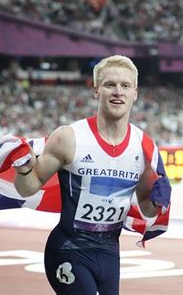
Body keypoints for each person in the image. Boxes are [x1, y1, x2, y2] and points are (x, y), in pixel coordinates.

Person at [13, 55, 171, 295]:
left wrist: (158, 202)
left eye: (125, 86)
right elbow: (27, 188)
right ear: (97, 90)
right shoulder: (69, 138)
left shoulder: (144, 146)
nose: (118, 92)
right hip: (68, 248)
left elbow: (147, 209)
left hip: (110, 254)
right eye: (110, 85)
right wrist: (24, 170)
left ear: (135, 93)